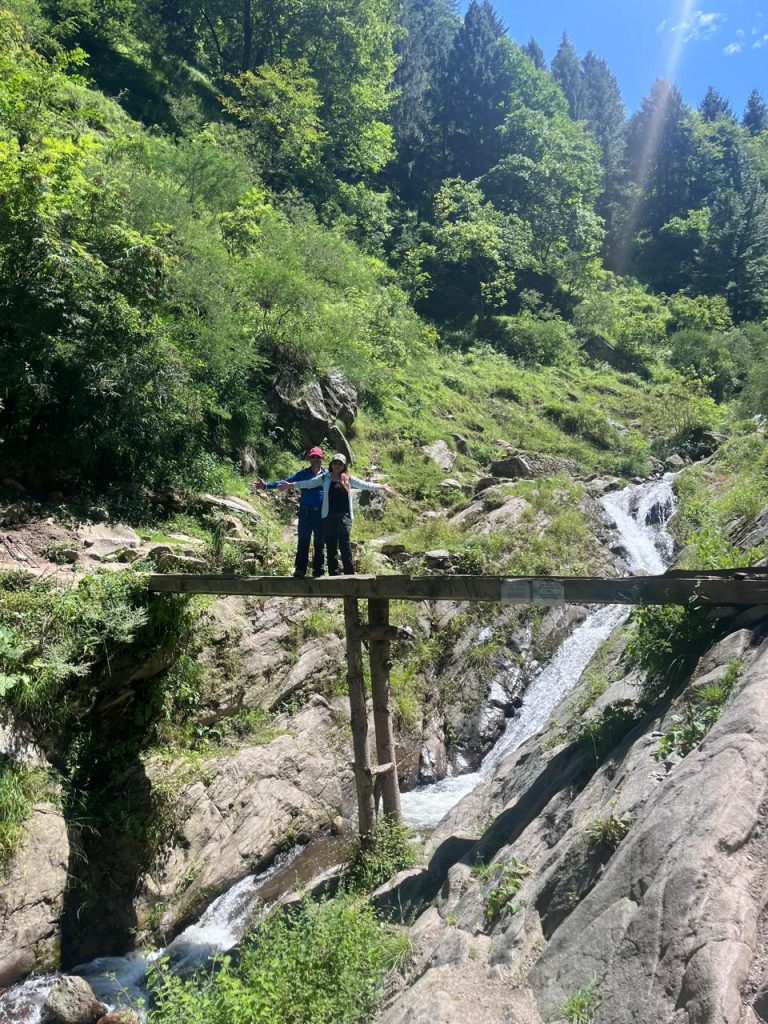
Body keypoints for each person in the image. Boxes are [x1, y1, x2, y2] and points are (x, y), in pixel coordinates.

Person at [280, 453, 394, 575]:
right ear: (331, 464)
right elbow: (308, 483)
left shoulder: (348, 479)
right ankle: (333, 575)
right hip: (328, 516)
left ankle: (350, 574)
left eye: (340, 464)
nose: (337, 465)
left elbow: (364, 484)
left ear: (344, 466)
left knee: (344, 542)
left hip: (344, 516)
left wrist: (381, 486)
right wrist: (292, 485)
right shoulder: (325, 478)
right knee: (330, 545)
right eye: (335, 463)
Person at [252, 446, 326, 578]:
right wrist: (266, 485)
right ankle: (300, 569)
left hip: (321, 513)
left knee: (319, 542)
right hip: (306, 512)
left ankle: (319, 571)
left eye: (318, 457)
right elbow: (286, 482)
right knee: (304, 540)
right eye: (313, 457)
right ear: (309, 458)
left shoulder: (326, 475)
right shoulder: (303, 473)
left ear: (322, 458)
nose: (315, 459)